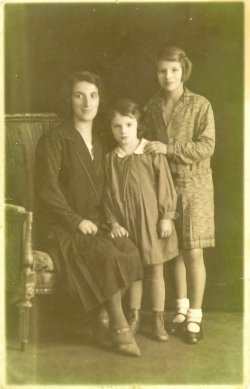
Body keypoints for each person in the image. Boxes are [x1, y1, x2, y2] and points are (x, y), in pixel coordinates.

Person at [34, 71, 143, 357]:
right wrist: (75, 220)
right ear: (69, 100)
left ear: (99, 99)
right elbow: (47, 191)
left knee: (128, 249)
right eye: (79, 95)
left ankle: (100, 319)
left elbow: (106, 192)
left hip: (95, 222)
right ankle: (118, 326)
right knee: (105, 255)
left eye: (93, 96)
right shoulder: (55, 139)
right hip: (61, 226)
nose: (87, 103)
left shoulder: (102, 141)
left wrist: (111, 222)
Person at [144, 46, 215, 344]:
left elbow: (207, 146)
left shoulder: (200, 105)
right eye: (162, 70)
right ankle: (181, 309)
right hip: (164, 186)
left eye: (173, 70)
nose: (168, 75)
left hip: (196, 185)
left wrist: (169, 149)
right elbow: (146, 142)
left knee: (193, 250)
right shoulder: (152, 106)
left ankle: (196, 315)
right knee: (173, 251)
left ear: (183, 71)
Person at [104, 98, 178, 342]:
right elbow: (107, 195)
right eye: (117, 126)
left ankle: (158, 318)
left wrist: (166, 217)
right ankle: (133, 315)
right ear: (111, 129)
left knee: (156, 271)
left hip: (152, 223)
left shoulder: (150, 152)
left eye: (128, 124)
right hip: (127, 225)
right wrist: (113, 222)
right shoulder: (110, 159)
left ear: (137, 125)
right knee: (134, 272)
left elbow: (165, 186)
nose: (123, 131)